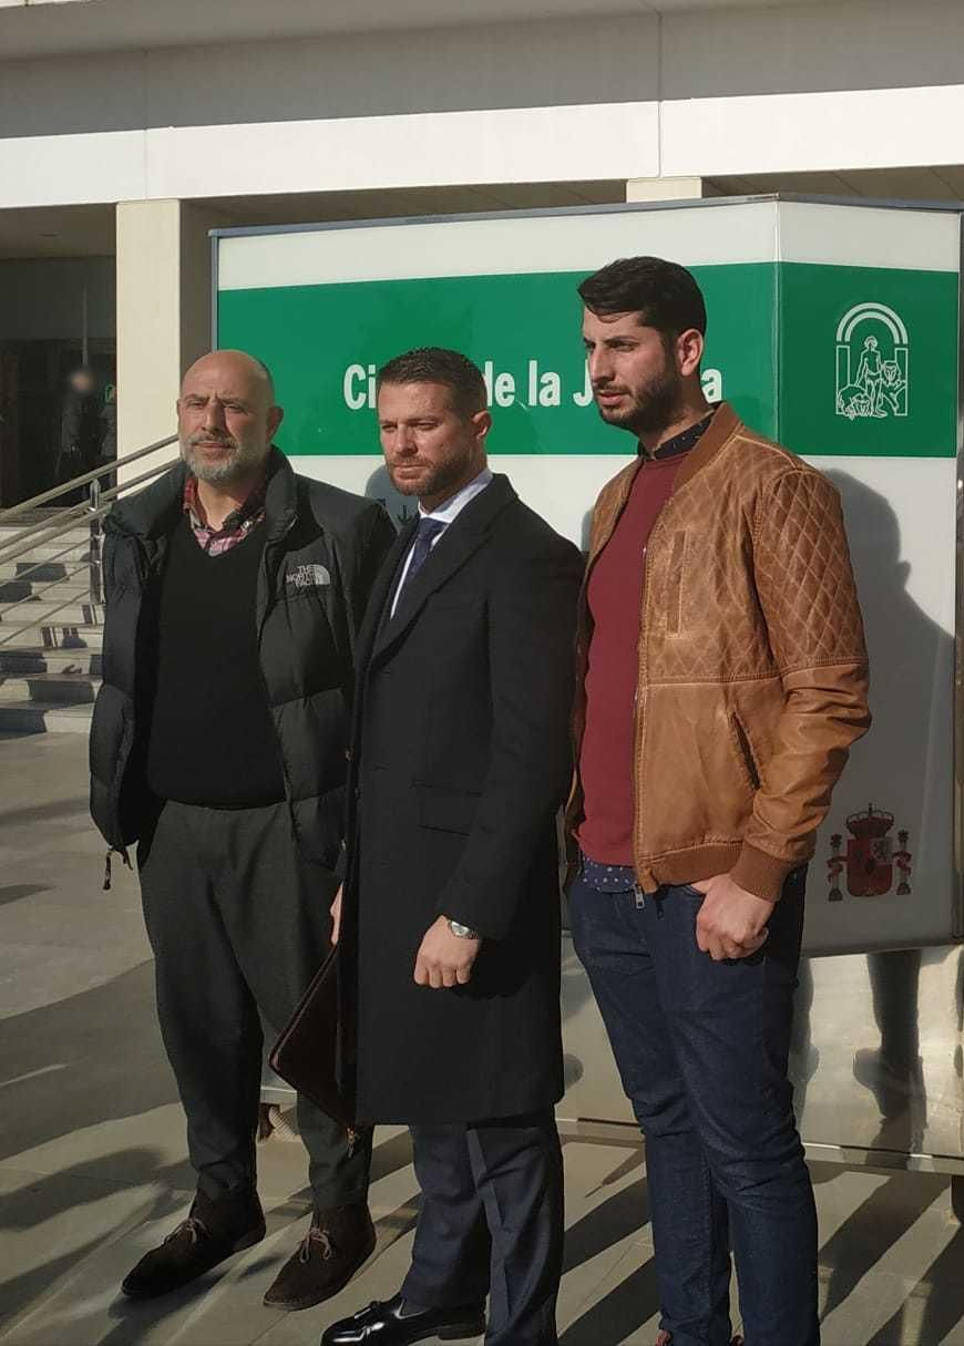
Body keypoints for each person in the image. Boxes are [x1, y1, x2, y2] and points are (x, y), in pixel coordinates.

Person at [566, 256, 871, 1346]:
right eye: (592, 345)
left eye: (624, 345)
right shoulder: (614, 492)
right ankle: (693, 1330)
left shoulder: (771, 482)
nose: (599, 368)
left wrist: (756, 872)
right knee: (667, 1129)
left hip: (709, 882)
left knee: (745, 1144)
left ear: (686, 350)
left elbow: (830, 695)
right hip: (604, 874)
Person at [88, 350, 395, 1309]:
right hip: (171, 827)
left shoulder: (342, 527)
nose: (212, 421)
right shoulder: (136, 527)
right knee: (200, 1032)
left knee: (312, 1036)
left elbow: (382, 695)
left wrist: (361, 840)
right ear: (177, 411)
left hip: (289, 828)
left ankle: (340, 1216)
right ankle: (223, 1203)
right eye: (197, 403)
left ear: (272, 420)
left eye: (233, 407)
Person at [321, 347, 582, 1346]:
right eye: (390, 426)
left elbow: (528, 756)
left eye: (424, 424)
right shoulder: (407, 537)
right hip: (397, 886)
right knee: (432, 1110)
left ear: (479, 424)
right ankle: (437, 1292)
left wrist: (469, 909)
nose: (402, 444)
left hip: (477, 897)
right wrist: (356, 879)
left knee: (504, 1124)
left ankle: (523, 1329)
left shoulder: (524, 555)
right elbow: (382, 741)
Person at [57, 365, 104, 499]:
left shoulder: (80, 399)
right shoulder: (75, 399)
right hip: (77, 445)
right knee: (79, 476)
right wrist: (73, 441)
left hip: (78, 444)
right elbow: (72, 422)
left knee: (80, 478)